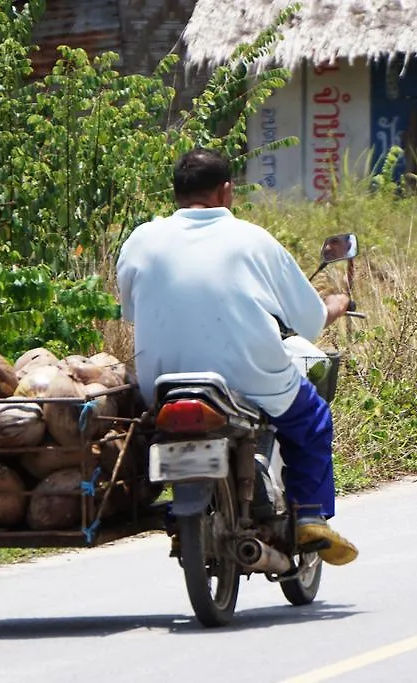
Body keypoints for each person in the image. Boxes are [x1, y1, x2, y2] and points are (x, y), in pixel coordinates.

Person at [115, 148, 358, 566]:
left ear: (175, 193)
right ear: (226, 192)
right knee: (312, 419)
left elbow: (132, 310)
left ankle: (182, 512)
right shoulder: (253, 239)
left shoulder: (141, 238)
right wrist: (335, 305)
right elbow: (309, 321)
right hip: (247, 377)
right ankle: (309, 516)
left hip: (163, 381)